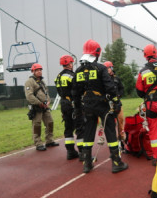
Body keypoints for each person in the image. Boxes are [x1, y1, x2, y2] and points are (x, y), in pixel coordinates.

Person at [72, 39, 128, 173]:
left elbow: (75, 92)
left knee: (88, 132)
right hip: (102, 105)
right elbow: (110, 88)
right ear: (97, 53)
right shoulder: (101, 68)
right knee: (110, 131)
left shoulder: (78, 71)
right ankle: (116, 162)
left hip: (87, 106)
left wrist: (78, 109)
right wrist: (116, 102)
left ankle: (87, 163)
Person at [55, 55, 85, 160]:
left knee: (68, 128)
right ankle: (83, 153)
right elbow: (77, 89)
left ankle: (70, 152)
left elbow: (59, 91)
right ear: (69, 63)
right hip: (73, 103)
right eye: (71, 63)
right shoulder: (71, 75)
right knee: (80, 127)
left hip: (63, 104)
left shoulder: (58, 77)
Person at [25, 63, 59, 151]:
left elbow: (46, 93)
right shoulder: (30, 81)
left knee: (50, 122)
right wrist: (39, 103)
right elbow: (29, 96)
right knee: (37, 125)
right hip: (36, 107)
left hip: (45, 107)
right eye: (37, 70)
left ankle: (49, 141)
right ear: (33, 71)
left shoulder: (42, 81)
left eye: (40, 70)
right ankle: (38, 143)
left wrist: (48, 101)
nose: (39, 71)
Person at [103, 61, 125, 142]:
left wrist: (119, 95)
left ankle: (121, 137)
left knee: (121, 119)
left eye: (107, 68)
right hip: (108, 104)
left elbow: (121, 88)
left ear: (111, 68)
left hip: (118, 103)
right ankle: (113, 138)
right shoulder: (103, 80)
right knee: (110, 122)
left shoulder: (117, 78)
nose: (106, 70)